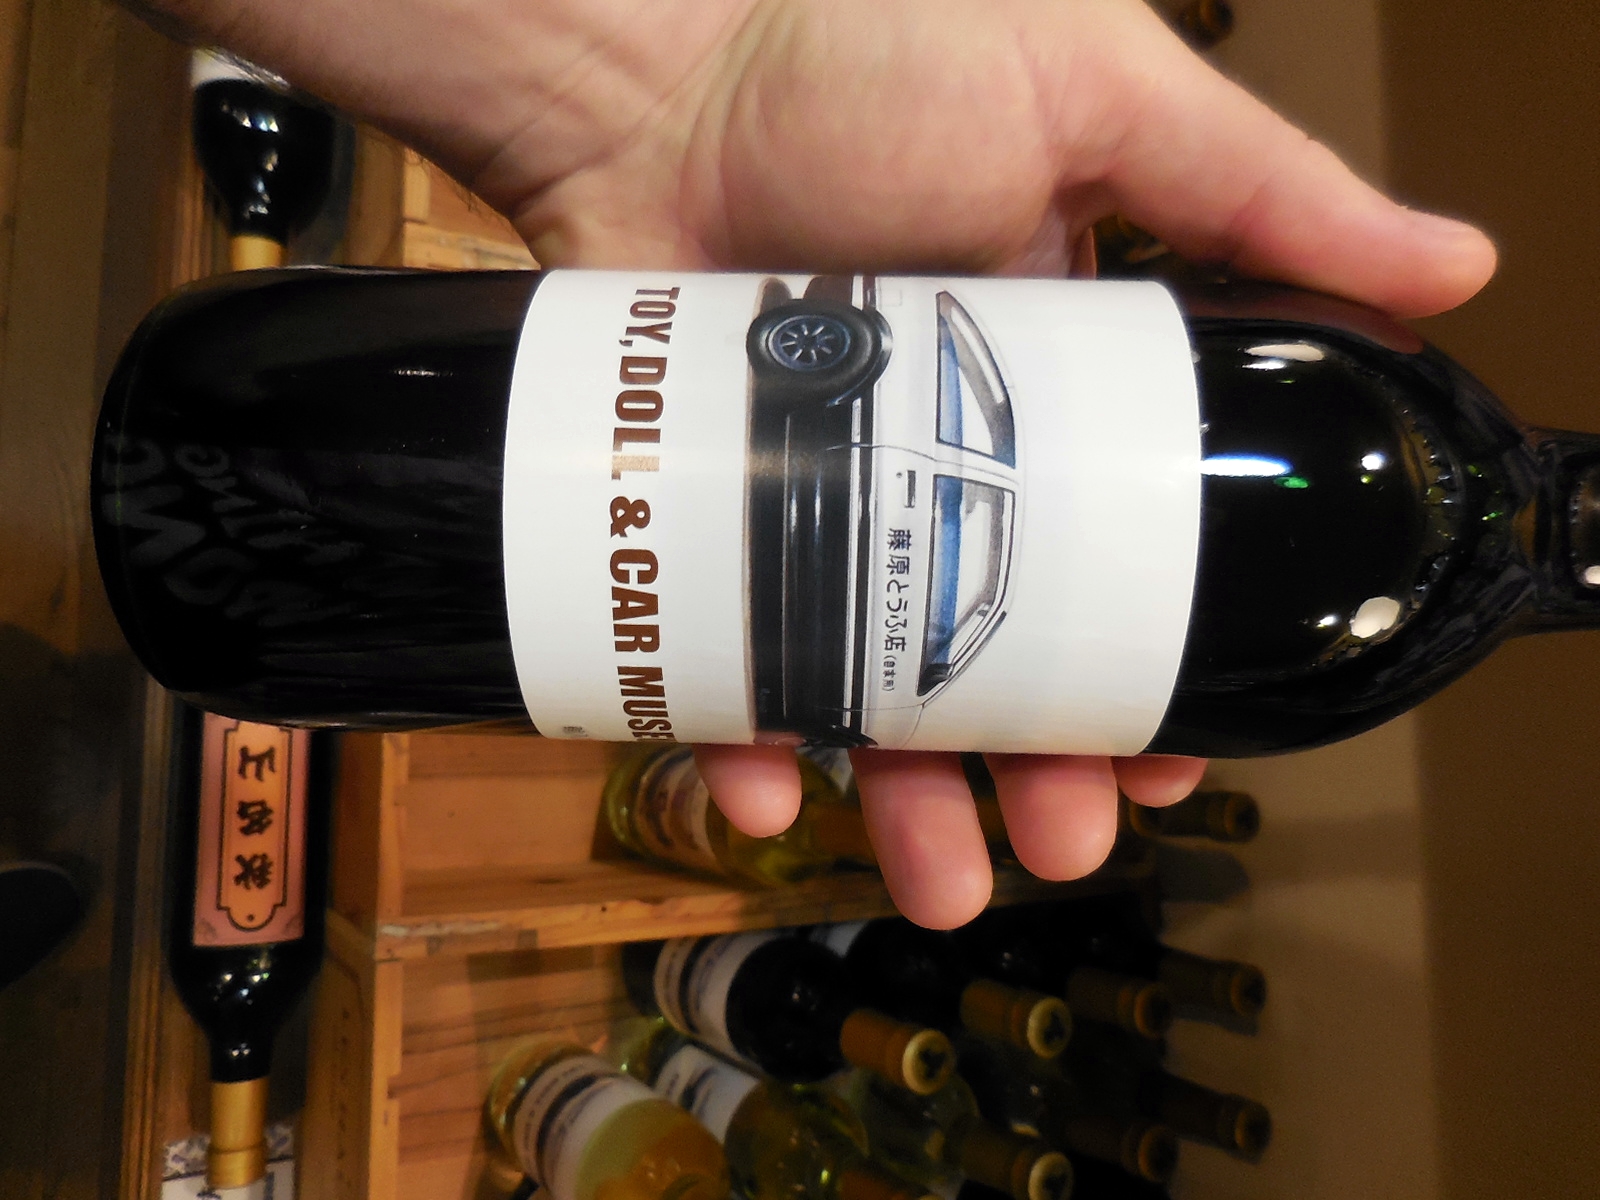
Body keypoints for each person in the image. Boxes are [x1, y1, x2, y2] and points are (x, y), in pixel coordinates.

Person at [139, 0, 1495, 928]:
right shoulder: (1394, 435)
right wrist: (696, 47)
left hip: (316, 593)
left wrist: (672, 63)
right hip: (282, 444)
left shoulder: (1404, 587)